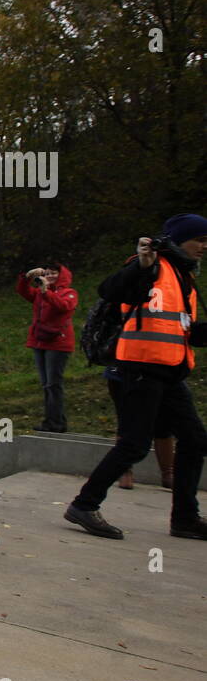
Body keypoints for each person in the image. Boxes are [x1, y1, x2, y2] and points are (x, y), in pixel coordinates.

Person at [64, 217, 207, 540]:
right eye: (198, 239)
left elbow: (181, 329)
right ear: (179, 240)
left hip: (169, 373)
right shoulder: (152, 266)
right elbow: (111, 290)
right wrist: (141, 266)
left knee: (195, 440)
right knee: (135, 444)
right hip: (138, 370)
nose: (204, 245)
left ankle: (185, 518)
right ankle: (84, 504)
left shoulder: (183, 277)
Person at [16, 262, 79, 431]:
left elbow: (63, 307)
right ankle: (53, 421)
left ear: (62, 276)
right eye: (47, 274)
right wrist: (27, 276)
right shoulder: (39, 293)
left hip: (59, 344)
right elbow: (23, 291)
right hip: (40, 341)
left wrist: (46, 291)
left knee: (53, 384)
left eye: (53, 274)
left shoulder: (69, 293)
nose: (50, 277)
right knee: (46, 384)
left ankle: (55, 422)